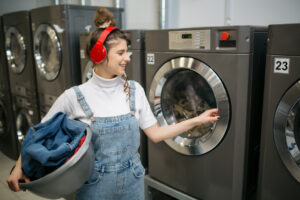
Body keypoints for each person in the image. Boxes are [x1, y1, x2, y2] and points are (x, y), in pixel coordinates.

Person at [7, 8, 219, 200]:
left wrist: (196, 120)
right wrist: (19, 168)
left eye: (127, 52)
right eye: (120, 53)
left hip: (133, 180)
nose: (127, 58)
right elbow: (38, 135)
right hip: (94, 185)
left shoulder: (135, 90)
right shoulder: (74, 96)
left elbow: (156, 133)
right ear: (99, 55)